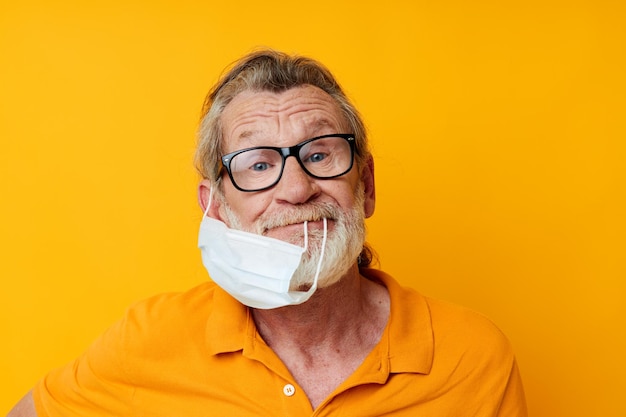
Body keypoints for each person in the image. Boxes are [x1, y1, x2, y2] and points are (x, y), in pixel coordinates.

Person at [8, 49, 527, 416]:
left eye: (320, 154)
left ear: (365, 184)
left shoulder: (472, 355)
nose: (297, 189)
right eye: (257, 165)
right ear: (215, 207)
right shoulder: (150, 341)